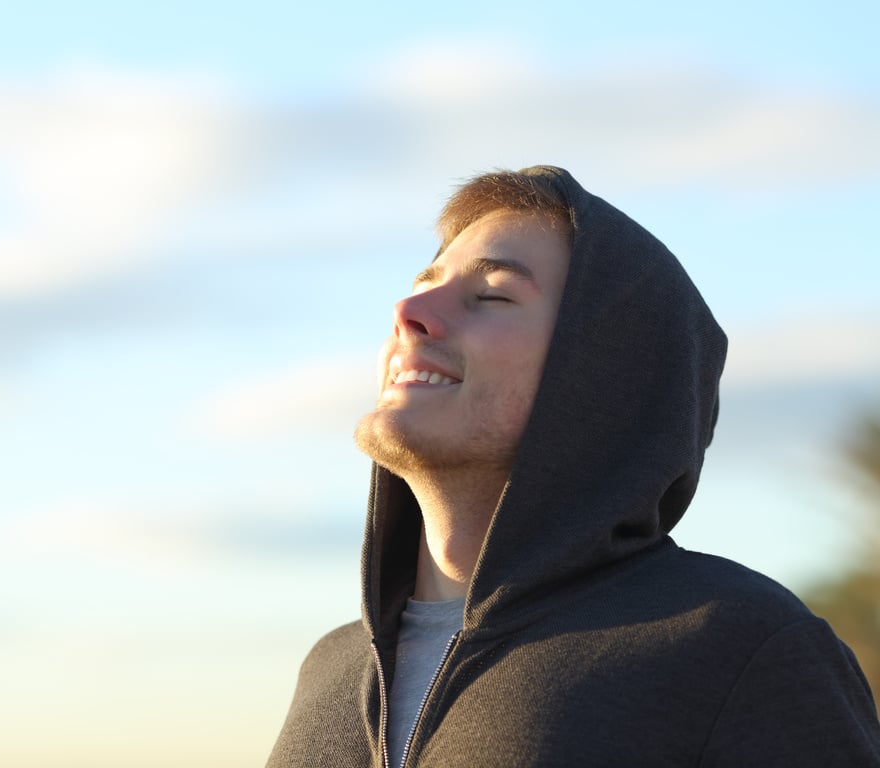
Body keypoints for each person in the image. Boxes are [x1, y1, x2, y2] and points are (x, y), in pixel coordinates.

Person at [266, 166, 880, 767]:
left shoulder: (739, 647)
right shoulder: (332, 668)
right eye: (426, 283)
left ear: (604, 377)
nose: (408, 310)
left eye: (491, 295)